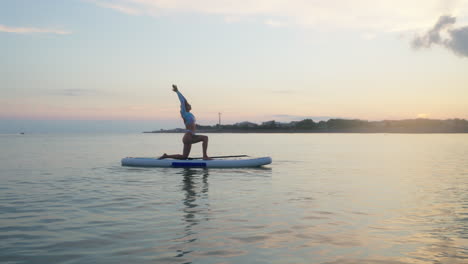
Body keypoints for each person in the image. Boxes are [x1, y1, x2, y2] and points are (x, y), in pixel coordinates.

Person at [159, 85, 212, 160]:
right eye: (187, 104)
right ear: (185, 107)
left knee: (184, 157)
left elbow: (185, 101)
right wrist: (177, 91)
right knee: (205, 138)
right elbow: (183, 100)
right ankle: (205, 156)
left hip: (190, 136)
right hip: (188, 136)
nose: (189, 104)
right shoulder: (184, 113)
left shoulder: (190, 114)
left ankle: (166, 156)